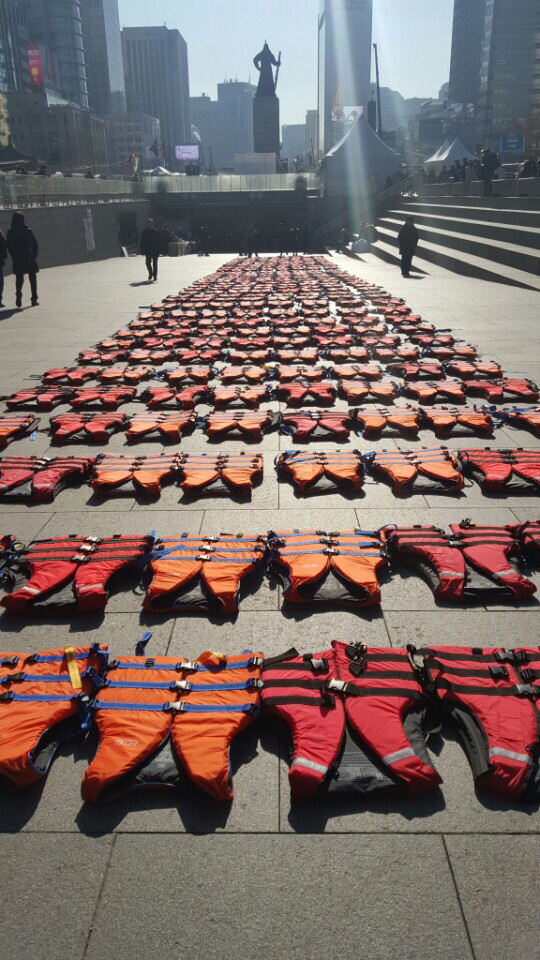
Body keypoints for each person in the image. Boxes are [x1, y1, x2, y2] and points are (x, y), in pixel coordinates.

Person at [7, 212, 39, 308]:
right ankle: (34, 299)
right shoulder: (28, 230)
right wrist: (34, 256)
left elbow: (9, 246)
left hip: (18, 258)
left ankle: (18, 294)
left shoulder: (10, 231)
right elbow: (35, 244)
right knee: (32, 278)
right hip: (29, 257)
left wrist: (14, 255)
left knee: (19, 278)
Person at [139, 218, 160, 282]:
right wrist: (141, 250)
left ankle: (155, 276)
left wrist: (160, 250)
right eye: (149, 223)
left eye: (151, 223)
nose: (150, 224)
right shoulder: (144, 232)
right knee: (147, 263)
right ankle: (150, 273)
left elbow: (159, 241)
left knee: (155, 263)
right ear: (147, 224)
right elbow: (142, 242)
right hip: (148, 250)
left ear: (153, 224)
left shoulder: (156, 232)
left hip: (155, 250)